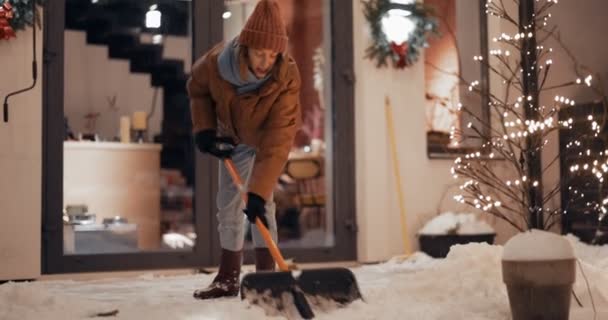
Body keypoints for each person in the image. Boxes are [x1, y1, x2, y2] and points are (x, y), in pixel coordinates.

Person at [186, 0, 301, 299]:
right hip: (233, 138)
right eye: (260, 53)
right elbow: (196, 90)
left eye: (272, 54)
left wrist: (259, 193)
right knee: (228, 205)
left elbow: (279, 138)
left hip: (264, 142)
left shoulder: (286, 76)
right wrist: (206, 131)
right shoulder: (217, 63)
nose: (265, 61)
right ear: (246, 46)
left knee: (263, 208)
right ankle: (227, 278)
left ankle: (266, 278)